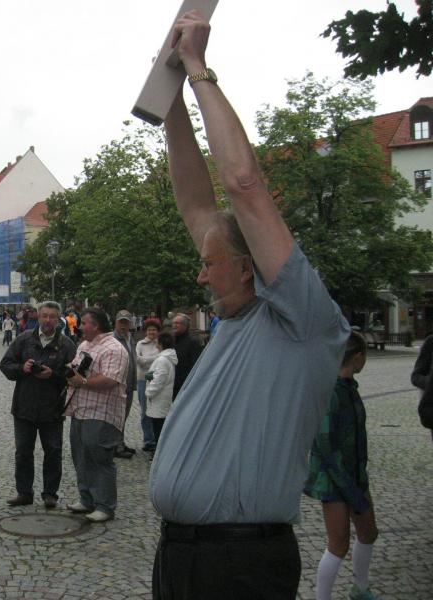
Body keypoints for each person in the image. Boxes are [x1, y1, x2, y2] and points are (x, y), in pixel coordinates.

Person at [149, 11, 350, 599]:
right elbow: (195, 202)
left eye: (209, 262)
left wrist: (197, 68)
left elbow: (244, 184)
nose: (200, 272)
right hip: (182, 556)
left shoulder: (302, 320)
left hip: (240, 563)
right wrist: (169, 99)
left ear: (246, 266)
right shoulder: (236, 315)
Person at [303, 332, 381, 600]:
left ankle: (360, 589)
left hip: (354, 475)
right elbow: (325, 447)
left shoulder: (350, 388)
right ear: (357, 358)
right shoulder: (331, 392)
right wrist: (350, 490)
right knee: (338, 544)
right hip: (333, 480)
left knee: (369, 533)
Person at [0, 301, 76, 508]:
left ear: (58, 319)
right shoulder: (24, 339)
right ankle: (24, 493)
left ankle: (50, 494)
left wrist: (54, 375)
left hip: (52, 409)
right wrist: (22, 368)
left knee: (53, 452)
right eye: (44, 316)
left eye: (52, 316)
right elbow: (5, 365)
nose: (48, 320)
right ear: (38, 317)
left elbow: (75, 377)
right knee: (23, 452)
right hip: (24, 407)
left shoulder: (67, 345)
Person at [65, 307, 128, 523]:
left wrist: (82, 381)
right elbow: (75, 369)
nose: (79, 327)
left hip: (102, 412)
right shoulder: (85, 345)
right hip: (80, 409)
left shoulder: (114, 348)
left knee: (100, 458)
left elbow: (110, 380)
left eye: (83, 323)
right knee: (80, 457)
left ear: (96, 325)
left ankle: (105, 506)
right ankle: (87, 499)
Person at [144, 330, 177, 445]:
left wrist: (148, 392)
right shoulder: (166, 358)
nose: (156, 345)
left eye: (157, 342)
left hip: (159, 400)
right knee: (160, 428)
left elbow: (159, 380)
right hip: (162, 399)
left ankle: (159, 452)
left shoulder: (162, 360)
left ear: (161, 344)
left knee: (159, 429)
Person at [112, 310, 137, 459]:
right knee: (118, 416)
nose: (123, 325)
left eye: (126, 322)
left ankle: (120, 442)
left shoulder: (130, 338)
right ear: (115, 322)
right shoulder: (113, 340)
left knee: (124, 416)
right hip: (119, 385)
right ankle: (116, 446)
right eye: (121, 322)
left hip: (129, 384)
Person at [136, 319, 163, 451]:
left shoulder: (161, 343)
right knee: (144, 411)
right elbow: (138, 360)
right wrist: (156, 359)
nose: (151, 332)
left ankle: (158, 439)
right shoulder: (140, 344)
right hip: (142, 380)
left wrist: (147, 360)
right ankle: (148, 440)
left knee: (157, 410)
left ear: (158, 331)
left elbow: (162, 360)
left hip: (157, 380)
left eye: (154, 329)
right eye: (149, 329)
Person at [170, 313, 203, 400]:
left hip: (185, 384)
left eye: (177, 323)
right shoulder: (171, 340)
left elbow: (196, 364)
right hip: (172, 383)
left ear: (185, 325)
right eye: (173, 323)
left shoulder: (193, 341)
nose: (174, 325)